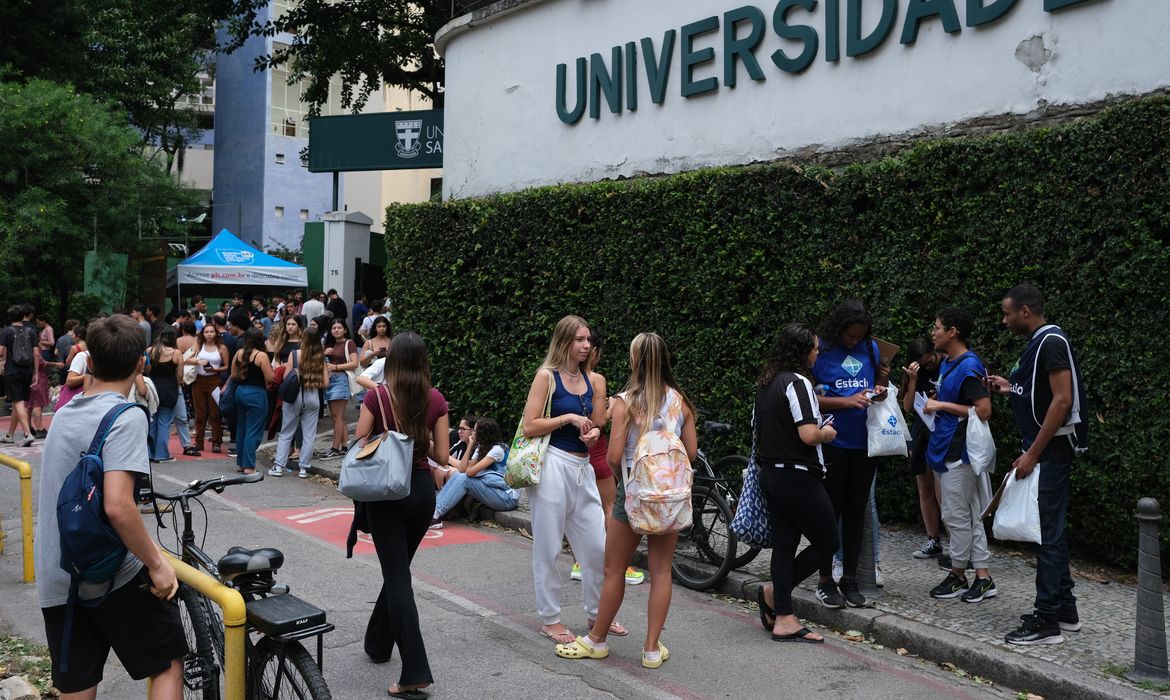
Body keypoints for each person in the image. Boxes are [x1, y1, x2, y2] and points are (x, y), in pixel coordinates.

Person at [34, 314, 184, 698]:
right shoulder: (125, 416)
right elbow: (118, 506)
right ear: (140, 363)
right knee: (166, 662)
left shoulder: (64, 413)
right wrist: (156, 564)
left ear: (90, 361)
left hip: (58, 574)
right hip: (109, 573)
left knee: (79, 684)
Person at [555, 332, 696, 667]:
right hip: (668, 499)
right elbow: (690, 452)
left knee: (614, 569)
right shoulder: (680, 402)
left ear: (635, 361)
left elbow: (614, 455)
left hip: (633, 496)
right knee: (662, 571)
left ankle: (596, 640)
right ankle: (650, 650)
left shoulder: (625, 401)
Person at [986, 284, 1087, 646]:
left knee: (1047, 535)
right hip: (1043, 451)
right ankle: (1066, 612)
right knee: (1050, 532)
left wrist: (1033, 454)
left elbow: (1062, 402)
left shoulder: (1052, 342)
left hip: (1050, 453)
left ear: (1025, 311)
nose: (1004, 319)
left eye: (1007, 312)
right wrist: (1007, 387)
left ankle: (1047, 621)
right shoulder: (1039, 343)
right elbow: (1037, 394)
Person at [353, 332, 448, 698]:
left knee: (396, 578)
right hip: (422, 491)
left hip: (386, 492)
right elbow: (441, 455)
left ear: (391, 361)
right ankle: (378, 643)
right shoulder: (435, 398)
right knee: (398, 571)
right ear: (423, 362)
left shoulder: (376, 396)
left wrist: (384, 432)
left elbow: (361, 440)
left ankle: (415, 670)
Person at [522, 315, 612, 645]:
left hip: (583, 467)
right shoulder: (547, 377)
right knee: (547, 546)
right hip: (552, 467)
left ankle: (596, 614)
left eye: (588, 339)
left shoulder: (590, 379)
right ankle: (549, 619)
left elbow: (598, 423)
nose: (587, 345)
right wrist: (568, 418)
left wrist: (594, 432)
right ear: (564, 342)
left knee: (597, 547)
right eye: (579, 340)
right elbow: (530, 425)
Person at [753, 324, 839, 644]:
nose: (818, 354)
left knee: (786, 544)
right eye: (815, 349)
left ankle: (784, 616)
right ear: (803, 351)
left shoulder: (767, 383)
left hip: (772, 473)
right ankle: (777, 594)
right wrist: (827, 433)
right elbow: (807, 434)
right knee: (828, 542)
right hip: (797, 475)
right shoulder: (798, 382)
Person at [811, 300, 888, 608]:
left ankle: (850, 578)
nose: (853, 340)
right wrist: (846, 402)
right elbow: (809, 399)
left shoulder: (871, 349)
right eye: (849, 335)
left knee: (856, 513)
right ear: (838, 328)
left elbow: (877, 388)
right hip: (832, 442)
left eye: (859, 335)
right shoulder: (820, 350)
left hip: (865, 443)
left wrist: (881, 387)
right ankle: (824, 579)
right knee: (829, 512)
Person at [922, 307, 996, 603]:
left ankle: (957, 574)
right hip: (945, 447)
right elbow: (955, 400)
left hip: (960, 452)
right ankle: (983, 577)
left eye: (937, 327)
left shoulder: (968, 366)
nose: (933, 332)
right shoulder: (949, 364)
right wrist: (939, 401)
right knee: (969, 514)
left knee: (954, 515)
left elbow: (984, 410)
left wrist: (941, 407)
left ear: (953, 332)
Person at [570, 332, 644, 586]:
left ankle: (580, 560)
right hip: (597, 451)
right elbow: (599, 420)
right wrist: (613, 407)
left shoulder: (563, 377)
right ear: (594, 353)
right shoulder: (596, 379)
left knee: (577, 510)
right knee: (611, 507)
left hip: (572, 452)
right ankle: (620, 563)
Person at [902, 338, 945, 561]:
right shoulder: (915, 372)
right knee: (924, 489)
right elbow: (908, 407)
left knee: (942, 491)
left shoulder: (947, 365)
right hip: (921, 430)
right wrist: (912, 380)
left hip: (941, 431)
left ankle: (957, 543)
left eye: (930, 361)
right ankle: (933, 539)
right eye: (923, 363)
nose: (928, 365)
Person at [431, 417, 518, 526]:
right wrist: (471, 445)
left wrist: (470, 463)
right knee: (459, 474)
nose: (473, 432)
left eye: (475, 430)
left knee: (464, 479)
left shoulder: (497, 450)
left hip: (507, 497)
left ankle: (436, 514)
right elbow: (463, 469)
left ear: (482, 433)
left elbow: (469, 473)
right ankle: (434, 510)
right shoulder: (481, 447)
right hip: (494, 489)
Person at [268, 327, 329, 478]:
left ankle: (279, 466)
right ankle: (303, 468)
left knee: (286, 432)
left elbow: (286, 377)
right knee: (309, 434)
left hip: (295, 397)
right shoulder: (320, 357)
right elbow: (325, 383)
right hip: (313, 397)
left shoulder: (295, 354)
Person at [230, 328, 274, 475]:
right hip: (256, 394)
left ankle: (242, 463)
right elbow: (270, 378)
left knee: (242, 428)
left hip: (240, 392)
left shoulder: (239, 353)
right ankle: (249, 465)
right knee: (253, 431)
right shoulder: (261, 355)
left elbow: (234, 374)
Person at [0, 304, 39, 446]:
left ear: (9, 317)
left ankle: (27, 434)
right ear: (23, 316)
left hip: (12, 370)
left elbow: (0, 351)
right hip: (28, 370)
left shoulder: (7, 332)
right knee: (20, 400)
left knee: (17, 401)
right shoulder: (31, 331)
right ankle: (10, 435)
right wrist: (35, 373)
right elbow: (36, 353)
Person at [145, 327, 185, 463]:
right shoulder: (176, 353)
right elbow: (180, 375)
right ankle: (161, 454)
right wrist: (176, 385)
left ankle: (150, 452)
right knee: (164, 423)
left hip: (152, 388)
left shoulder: (150, 351)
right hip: (169, 389)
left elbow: (146, 370)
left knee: (152, 422)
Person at [321, 320, 358, 458]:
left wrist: (335, 367)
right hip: (329, 380)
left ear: (345, 330)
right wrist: (324, 353)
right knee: (338, 417)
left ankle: (335, 448)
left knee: (337, 417)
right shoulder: (330, 344)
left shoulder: (349, 343)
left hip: (340, 379)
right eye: (333, 328)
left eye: (339, 327)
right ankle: (344, 446)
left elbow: (354, 363)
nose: (336, 330)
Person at [192, 323, 228, 453]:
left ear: (216, 333)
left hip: (214, 380)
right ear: (203, 333)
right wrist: (197, 361)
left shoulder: (222, 347)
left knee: (215, 414)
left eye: (211, 332)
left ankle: (216, 442)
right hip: (198, 381)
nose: (209, 334)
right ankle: (199, 442)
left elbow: (227, 366)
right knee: (200, 414)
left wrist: (215, 369)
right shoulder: (198, 345)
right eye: (206, 332)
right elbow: (187, 359)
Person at [56, 324, 90, 411]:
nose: (72, 336)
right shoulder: (89, 347)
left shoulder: (75, 348)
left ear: (78, 335)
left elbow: (67, 362)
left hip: (77, 375)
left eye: (73, 334)